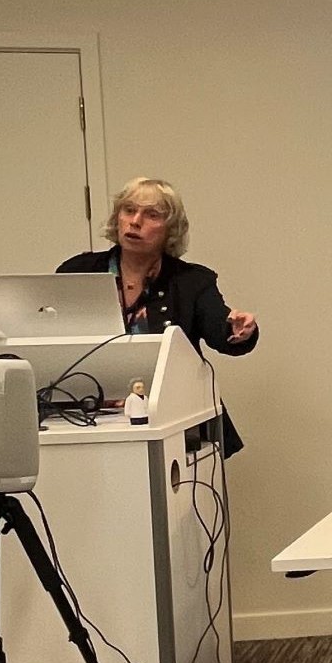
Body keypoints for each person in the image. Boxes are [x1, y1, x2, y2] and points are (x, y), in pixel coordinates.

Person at [57, 177, 258, 455]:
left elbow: (222, 335)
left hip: (174, 421)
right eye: (129, 210)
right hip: (88, 418)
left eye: (151, 215)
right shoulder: (77, 271)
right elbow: (51, 337)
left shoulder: (191, 281)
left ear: (170, 230)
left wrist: (240, 330)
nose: (135, 221)